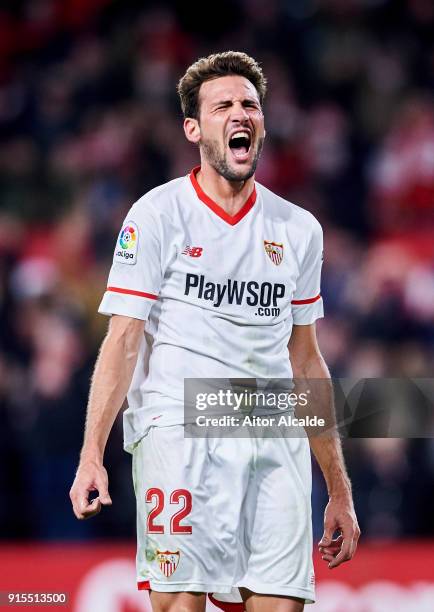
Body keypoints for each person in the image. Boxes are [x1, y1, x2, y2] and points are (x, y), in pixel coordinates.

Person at [70, 51, 360, 612]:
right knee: (181, 604)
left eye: (249, 104)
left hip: (273, 433)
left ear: (263, 123)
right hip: (180, 427)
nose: (239, 114)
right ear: (193, 128)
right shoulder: (156, 216)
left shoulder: (299, 230)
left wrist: (339, 488)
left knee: (279, 603)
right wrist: (91, 453)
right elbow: (124, 339)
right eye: (222, 104)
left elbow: (306, 361)